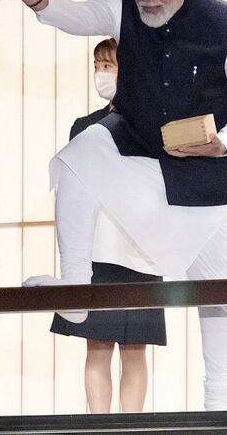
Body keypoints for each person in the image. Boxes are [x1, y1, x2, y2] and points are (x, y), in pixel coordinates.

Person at [9, 0, 227, 411]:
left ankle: (220, 409)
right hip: (142, 157)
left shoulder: (225, 23)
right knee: (79, 153)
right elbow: (81, 15)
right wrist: (39, 1)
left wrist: (224, 141)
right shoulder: (127, 7)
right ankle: (75, 288)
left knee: (219, 297)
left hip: (209, 180)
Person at [50, 38, 167, 414]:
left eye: (110, 66)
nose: (102, 74)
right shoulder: (84, 126)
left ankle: (132, 424)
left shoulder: (153, 125)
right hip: (96, 249)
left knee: (135, 349)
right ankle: (97, 424)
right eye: (98, 66)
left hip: (141, 250)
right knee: (96, 345)